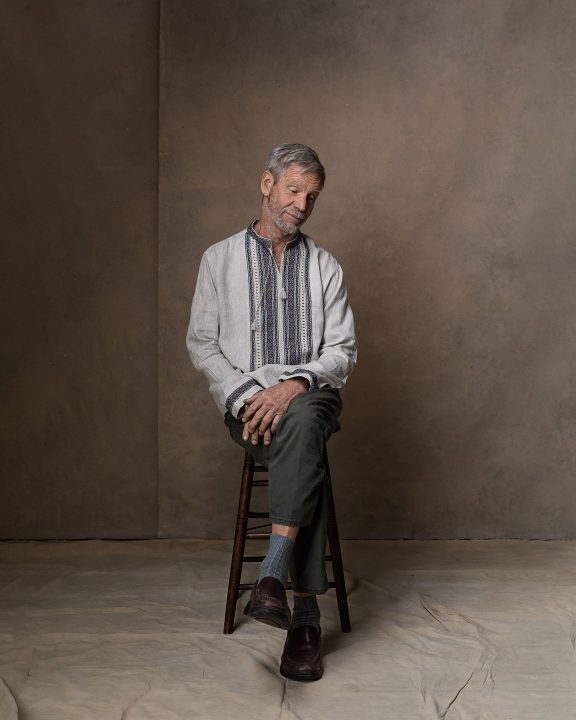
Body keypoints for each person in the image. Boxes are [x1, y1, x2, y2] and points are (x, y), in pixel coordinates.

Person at [186, 143, 356, 681]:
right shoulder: (218, 260)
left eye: (312, 195)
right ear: (267, 183)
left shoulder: (325, 265)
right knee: (301, 441)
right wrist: (248, 396)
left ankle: (273, 575)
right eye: (294, 189)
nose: (303, 205)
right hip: (248, 404)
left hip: (315, 393)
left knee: (304, 417)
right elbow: (202, 344)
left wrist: (297, 382)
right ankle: (304, 616)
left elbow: (342, 351)